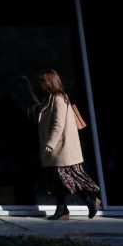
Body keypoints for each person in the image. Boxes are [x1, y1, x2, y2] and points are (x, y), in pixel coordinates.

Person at [36, 69, 101, 220]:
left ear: (50, 82)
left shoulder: (58, 98)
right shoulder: (49, 98)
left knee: (67, 177)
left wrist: (50, 143)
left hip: (61, 148)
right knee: (56, 180)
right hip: (56, 148)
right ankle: (62, 210)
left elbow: (58, 123)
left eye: (42, 81)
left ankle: (90, 198)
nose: (41, 84)